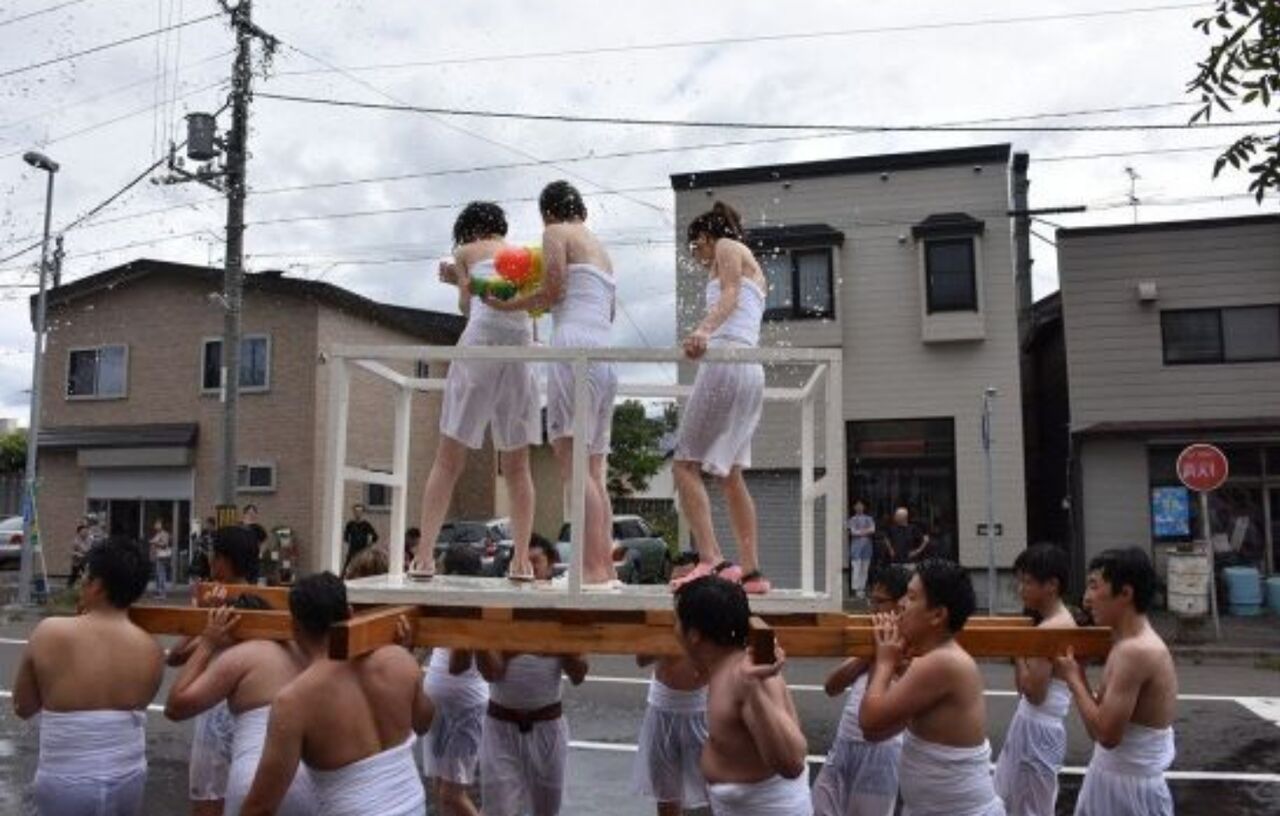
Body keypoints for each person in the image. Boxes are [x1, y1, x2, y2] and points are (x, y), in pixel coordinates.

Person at [486, 181, 618, 587]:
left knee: (573, 464)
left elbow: (554, 288)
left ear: (548, 212)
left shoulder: (555, 232)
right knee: (593, 468)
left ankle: (591, 569)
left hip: (573, 348)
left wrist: (506, 303)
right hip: (605, 353)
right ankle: (605, 567)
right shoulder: (601, 249)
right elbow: (608, 311)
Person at [413, 202, 541, 582]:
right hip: (521, 345)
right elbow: (522, 309)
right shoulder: (520, 254)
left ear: (468, 231)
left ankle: (422, 556)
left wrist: (457, 279)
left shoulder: (465, 252)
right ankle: (521, 560)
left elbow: (470, 306)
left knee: (448, 458)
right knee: (518, 466)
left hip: (482, 341)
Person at [241, 573, 434, 816]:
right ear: (350, 613)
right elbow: (424, 722)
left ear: (295, 627)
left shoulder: (294, 701)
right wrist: (409, 661)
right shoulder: (399, 661)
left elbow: (261, 807)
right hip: (412, 805)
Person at [12, 536, 164, 816]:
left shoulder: (50, 632)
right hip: (128, 776)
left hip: (66, 778)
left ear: (97, 585)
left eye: (85, 576)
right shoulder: (151, 649)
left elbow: (23, 706)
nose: (82, 582)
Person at [670, 202, 771, 595]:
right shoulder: (752, 263)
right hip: (749, 369)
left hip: (727, 360)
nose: (696, 256)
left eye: (696, 247)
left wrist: (703, 330)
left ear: (707, 236)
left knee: (683, 465)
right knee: (730, 475)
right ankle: (752, 572)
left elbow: (729, 294)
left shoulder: (728, 246)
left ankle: (710, 557)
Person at [859, 559, 1005, 816]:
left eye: (912, 597)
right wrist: (893, 668)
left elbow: (869, 721)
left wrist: (884, 664)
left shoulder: (942, 662)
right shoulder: (931, 661)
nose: (902, 604)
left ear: (938, 615)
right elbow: (875, 733)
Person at [164, 596, 317, 816]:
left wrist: (208, 643)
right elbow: (176, 656)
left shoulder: (242, 654)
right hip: (309, 781)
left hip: (255, 780)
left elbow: (175, 707)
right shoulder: (301, 650)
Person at [1054, 547, 1177, 816]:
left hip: (1128, 791)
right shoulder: (1124, 644)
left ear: (1125, 593)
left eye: (1094, 587)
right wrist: (1080, 676)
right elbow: (1098, 729)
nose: (1087, 600)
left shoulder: (1136, 651)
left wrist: (1074, 678)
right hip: (1116, 779)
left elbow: (1106, 736)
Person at [673, 576, 810, 815]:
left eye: (675, 621)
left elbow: (792, 763)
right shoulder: (727, 665)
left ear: (693, 634)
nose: (673, 628)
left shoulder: (746, 678)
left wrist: (752, 690)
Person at [475, 550, 589, 816]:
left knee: (547, 811)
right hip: (500, 725)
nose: (526, 567)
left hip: (547, 725)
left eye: (534, 560)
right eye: (519, 561)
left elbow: (579, 673)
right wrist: (480, 639)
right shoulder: (499, 613)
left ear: (550, 568)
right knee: (498, 810)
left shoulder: (565, 613)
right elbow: (492, 672)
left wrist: (558, 645)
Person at [170, 525, 264, 816]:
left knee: (211, 804)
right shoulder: (227, 602)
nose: (211, 563)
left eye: (215, 556)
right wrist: (200, 618)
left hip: (222, 714)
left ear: (226, 560)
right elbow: (175, 656)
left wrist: (205, 628)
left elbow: (176, 659)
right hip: (238, 718)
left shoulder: (254, 603)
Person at [811, 565, 910, 816]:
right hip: (845, 740)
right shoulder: (874, 640)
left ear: (901, 604)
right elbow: (831, 687)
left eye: (879, 602)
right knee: (820, 808)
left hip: (882, 750)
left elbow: (878, 703)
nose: (872, 608)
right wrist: (868, 655)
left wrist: (883, 657)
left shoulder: (910, 648)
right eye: (871, 600)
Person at [993, 543, 1076, 816]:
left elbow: (1033, 692)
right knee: (1023, 803)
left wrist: (1018, 652)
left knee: (1028, 807)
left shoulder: (1051, 629)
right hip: (1036, 724)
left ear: (1051, 585)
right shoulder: (1058, 622)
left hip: (1037, 727)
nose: (1020, 589)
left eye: (1027, 582)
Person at [422, 543, 489, 816]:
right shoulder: (449, 605)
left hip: (464, 707)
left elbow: (459, 664)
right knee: (440, 789)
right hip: (442, 707)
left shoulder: (470, 607)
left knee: (452, 794)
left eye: (442, 568)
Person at [847, 501, 876, 598]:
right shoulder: (852, 519)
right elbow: (853, 532)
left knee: (865, 568)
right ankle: (856, 589)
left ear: (864, 507)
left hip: (867, 548)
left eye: (861, 506)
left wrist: (860, 532)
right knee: (856, 568)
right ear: (854, 508)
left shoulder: (869, 518)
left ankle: (862, 588)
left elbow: (873, 529)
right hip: (856, 548)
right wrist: (865, 532)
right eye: (857, 506)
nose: (859, 508)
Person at [342, 503, 379, 573]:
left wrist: (369, 545)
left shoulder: (366, 524)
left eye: (359, 512)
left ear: (362, 513)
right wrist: (350, 542)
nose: (357, 513)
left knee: (363, 565)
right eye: (356, 512)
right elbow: (345, 537)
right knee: (347, 566)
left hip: (362, 549)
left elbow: (375, 536)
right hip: (353, 550)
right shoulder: (350, 524)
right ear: (353, 512)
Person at [150, 518, 172, 598]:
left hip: (162, 556)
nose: (155, 525)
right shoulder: (157, 534)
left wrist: (155, 543)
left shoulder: (164, 533)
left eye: (157, 524)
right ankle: (159, 591)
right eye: (155, 524)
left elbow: (165, 544)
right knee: (158, 574)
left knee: (161, 574)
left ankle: (163, 592)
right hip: (157, 556)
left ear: (161, 525)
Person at [67, 523, 91, 587]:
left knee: (88, 575)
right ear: (79, 532)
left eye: (86, 531)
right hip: (77, 562)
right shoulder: (75, 541)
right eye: (84, 531)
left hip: (85, 562)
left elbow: (89, 549)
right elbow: (71, 552)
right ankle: (69, 588)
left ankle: (88, 588)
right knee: (73, 576)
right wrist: (78, 554)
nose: (86, 533)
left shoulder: (89, 540)